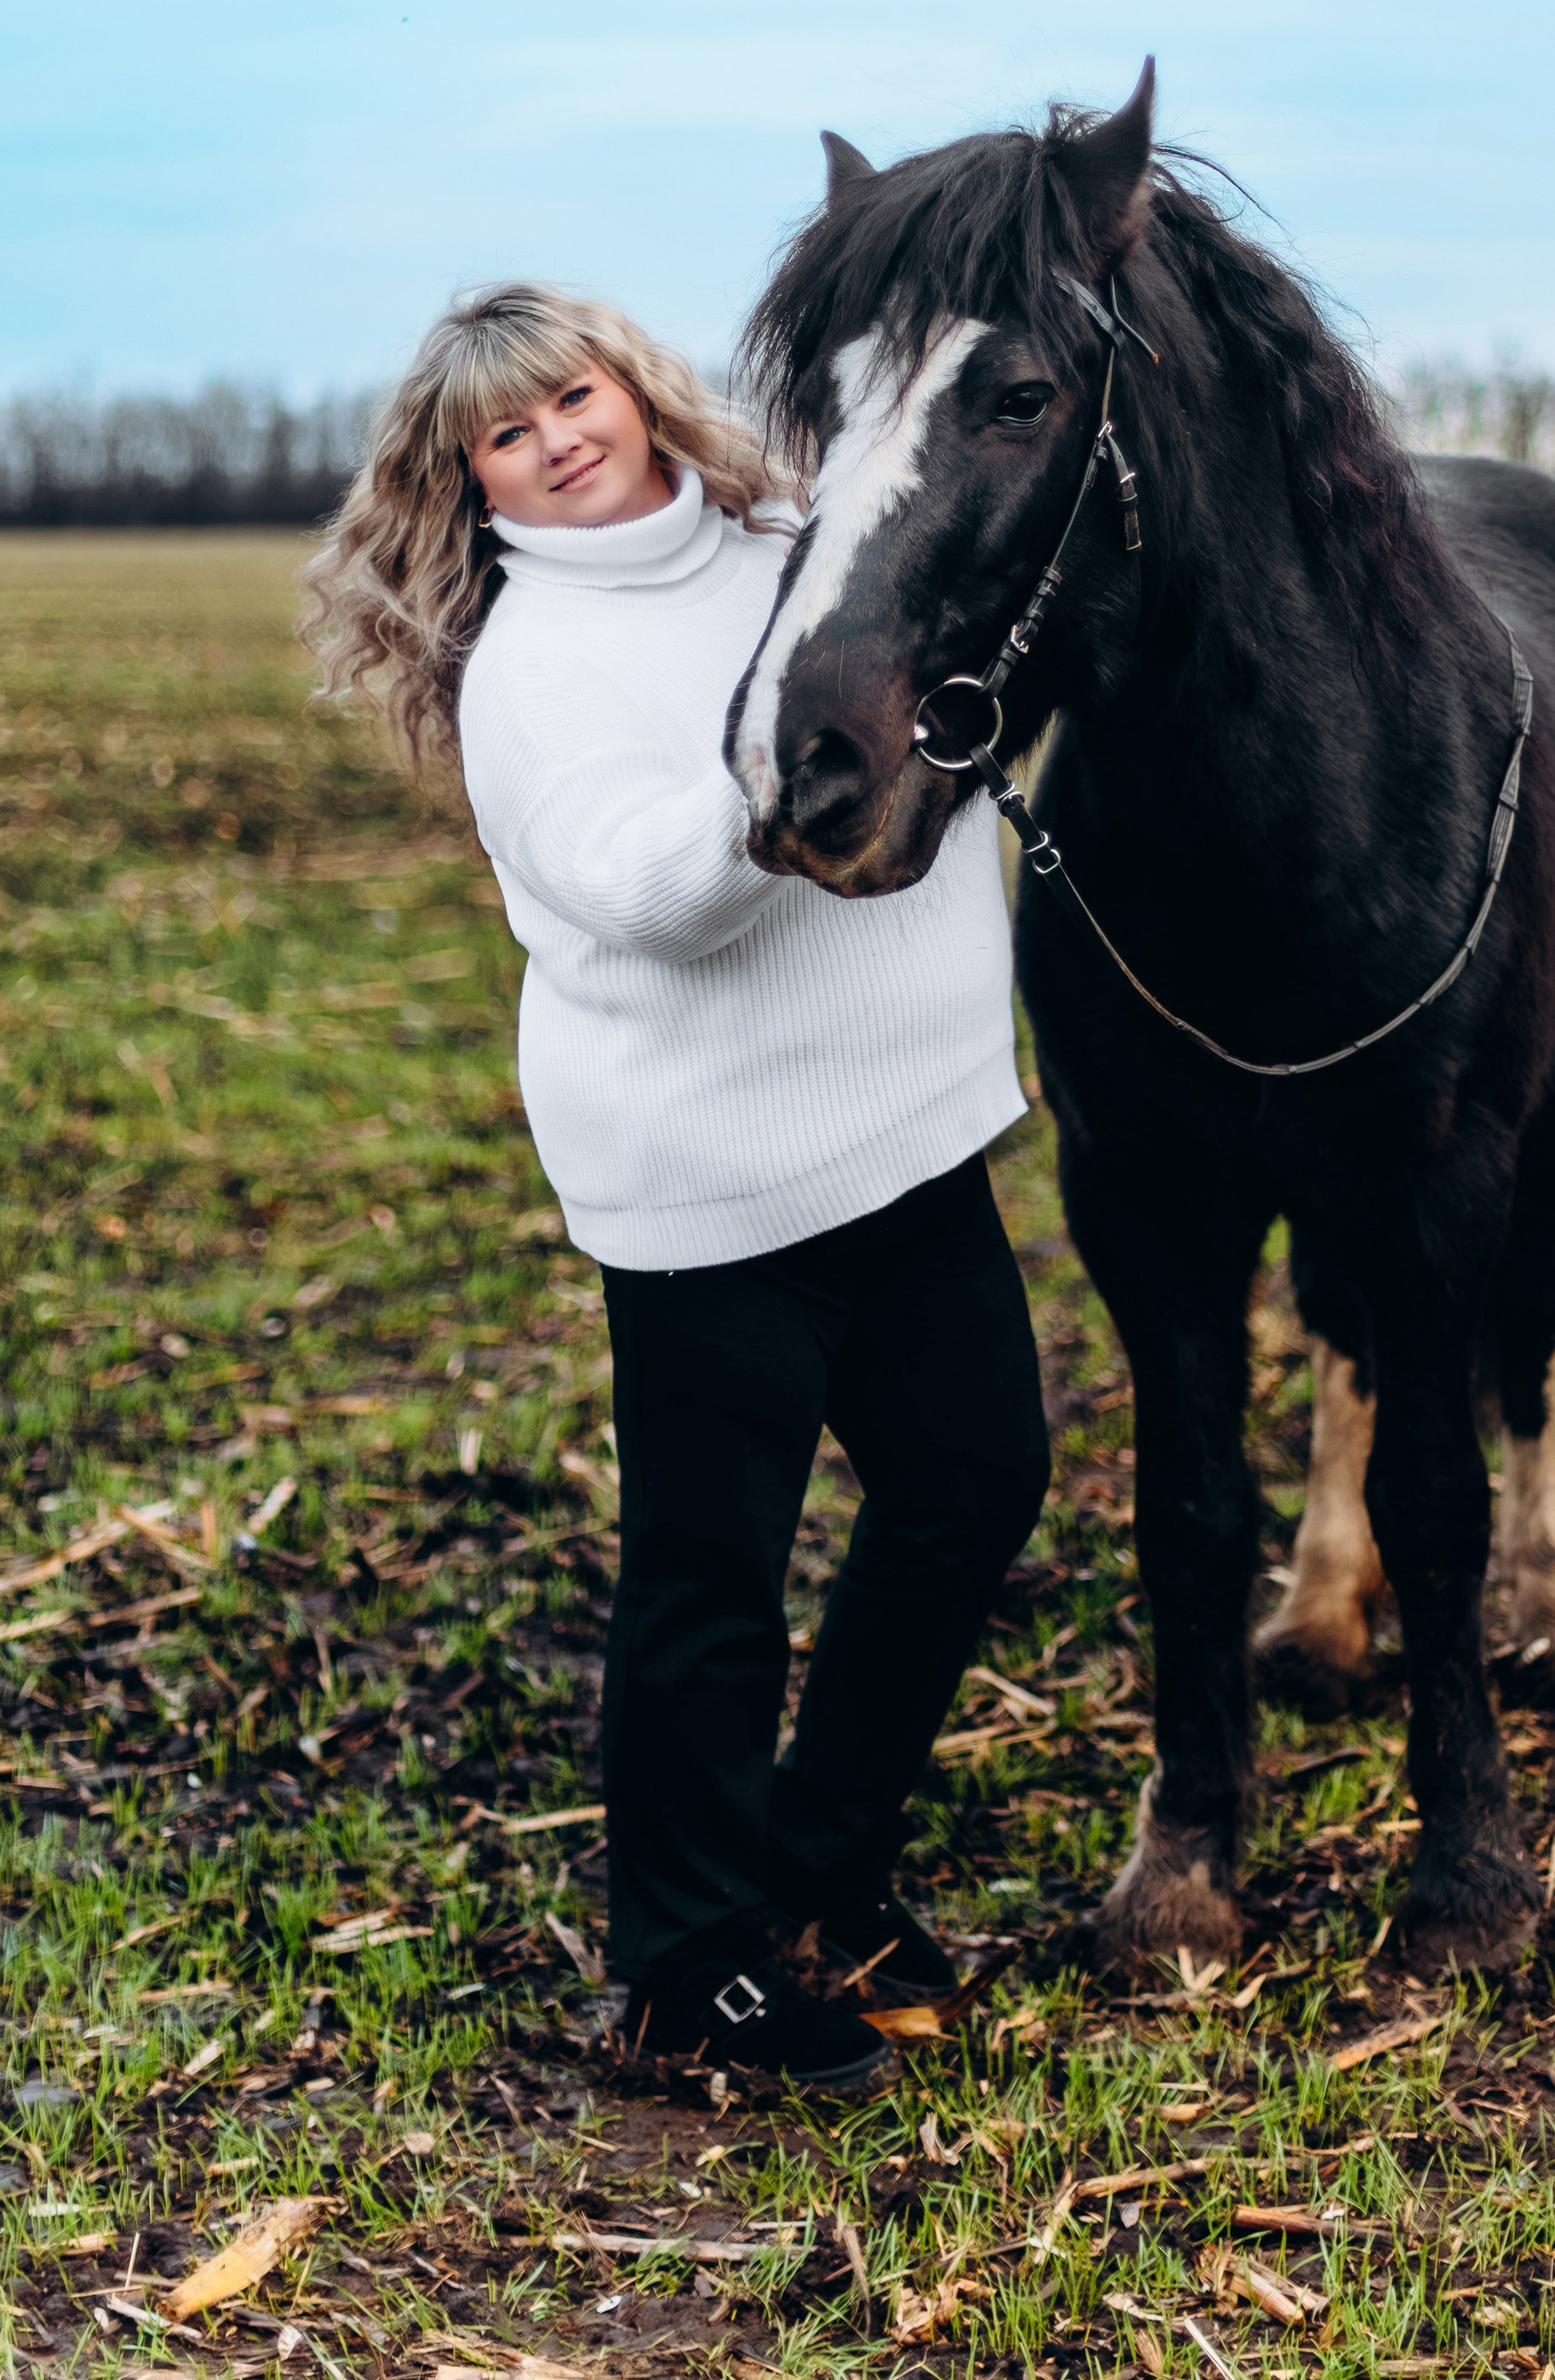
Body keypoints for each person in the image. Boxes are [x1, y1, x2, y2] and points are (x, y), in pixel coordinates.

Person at [302, 284, 1047, 2095]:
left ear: (630, 390)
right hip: (713, 1186)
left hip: (906, 1131)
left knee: (974, 1483)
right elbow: (646, 887)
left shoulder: (786, 540)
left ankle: (823, 1858)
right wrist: (800, 772)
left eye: (570, 395)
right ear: (465, 476)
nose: (556, 438)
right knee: (711, 1579)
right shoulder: (533, 672)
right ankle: (680, 1967)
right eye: (506, 431)